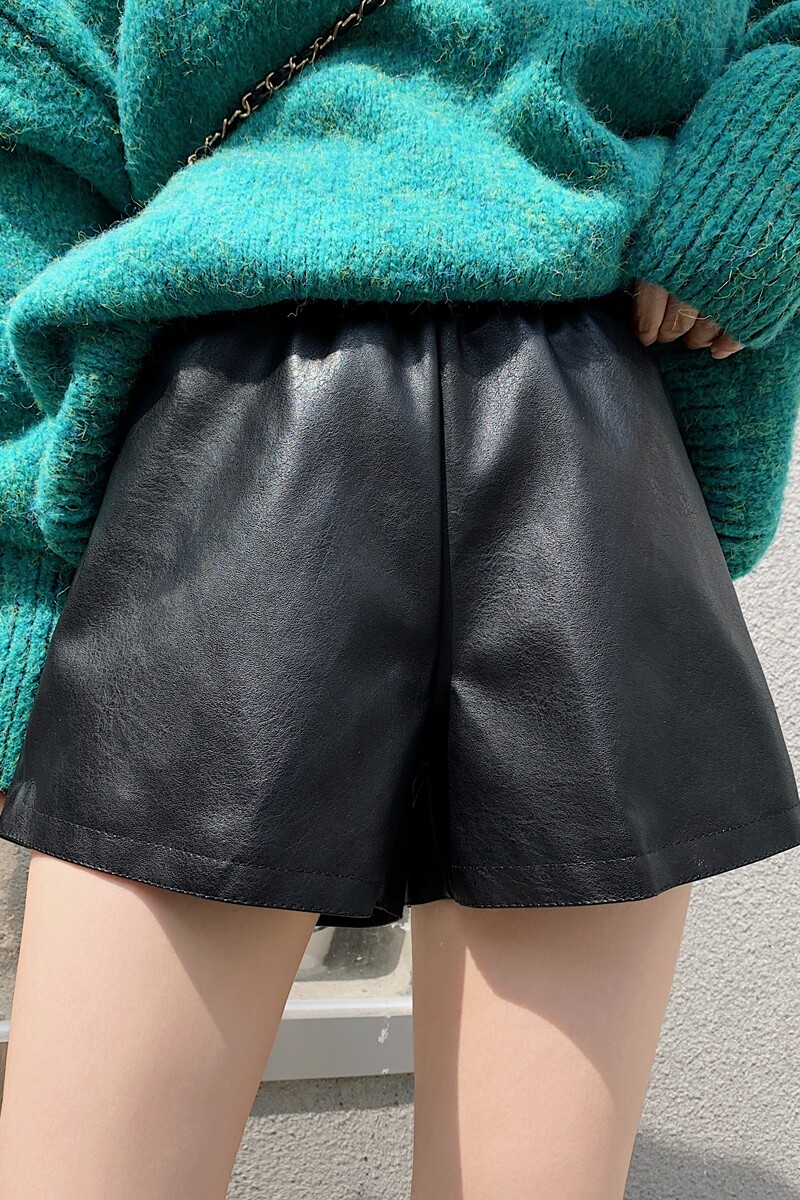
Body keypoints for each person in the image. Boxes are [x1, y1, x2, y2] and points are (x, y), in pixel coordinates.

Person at [0, 2, 799, 1196]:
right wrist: (19, 620)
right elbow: (37, 104)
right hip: (225, 431)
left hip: (585, 424)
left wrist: (770, 143)